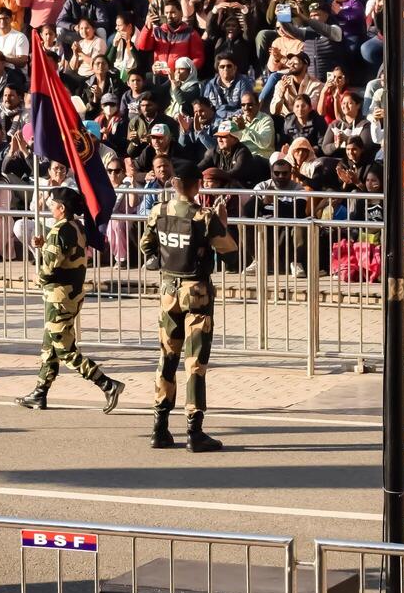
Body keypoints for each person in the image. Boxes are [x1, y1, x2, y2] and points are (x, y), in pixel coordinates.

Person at [138, 160, 239, 452]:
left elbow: (147, 246)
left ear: (173, 183)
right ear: (198, 186)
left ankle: (160, 427)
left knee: (167, 357)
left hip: (168, 291)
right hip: (197, 293)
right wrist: (223, 225)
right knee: (195, 362)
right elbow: (232, 258)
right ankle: (194, 431)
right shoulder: (203, 217)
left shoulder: (158, 211)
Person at [15, 187, 126, 411]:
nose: (48, 206)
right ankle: (40, 392)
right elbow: (65, 254)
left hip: (59, 296)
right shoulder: (75, 227)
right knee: (50, 347)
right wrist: (43, 245)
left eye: (51, 203)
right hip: (70, 294)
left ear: (62, 208)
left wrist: (39, 276)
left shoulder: (59, 230)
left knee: (64, 349)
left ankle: (107, 384)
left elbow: (49, 267)